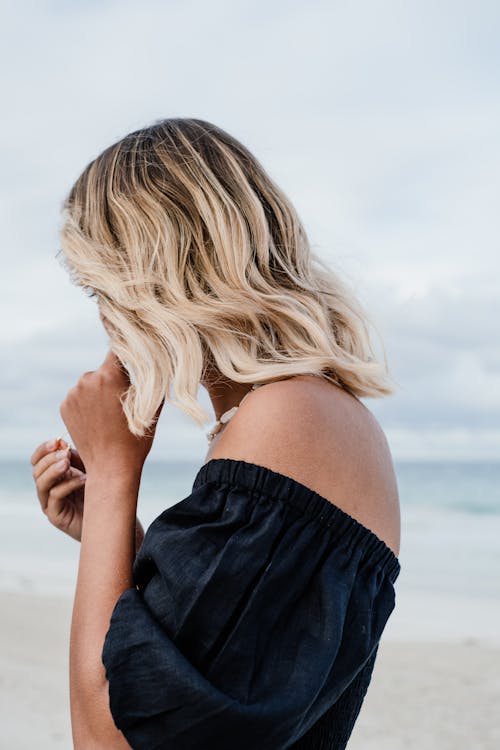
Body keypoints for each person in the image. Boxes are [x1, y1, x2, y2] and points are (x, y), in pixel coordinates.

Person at [30, 118, 401, 749]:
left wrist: (116, 469)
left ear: (155, 274)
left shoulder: (288, 418)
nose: (102, 315)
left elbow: (107, 739)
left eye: (100, 286)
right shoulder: (318, 415)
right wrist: (109, 529)